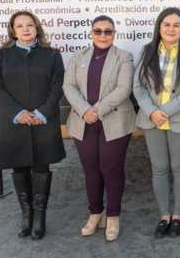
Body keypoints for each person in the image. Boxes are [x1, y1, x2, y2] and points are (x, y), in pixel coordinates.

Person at [0, 10, 66, 240]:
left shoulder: (52, 54)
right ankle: (26, 216)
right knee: (19, 167)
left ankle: (40, 218)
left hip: (43, 120)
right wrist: (18, 113)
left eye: (29, 25)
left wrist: (42, 112)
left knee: (41, 167)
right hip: (13, 122)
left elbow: (57, 86)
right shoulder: (1, 54)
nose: (25, 29)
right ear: (13, 30)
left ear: (36, 27)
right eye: (19, 26)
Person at [63, 15, 136, 241]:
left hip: (115, 121)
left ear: (114, 34)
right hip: (83, 121)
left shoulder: (124, 57)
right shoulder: (78, 57)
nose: (103, 35)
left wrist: (97, 110)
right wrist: (85, 110)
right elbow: (69, 86)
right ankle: (96, 213)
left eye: (108, 31)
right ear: (91, 33)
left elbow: (124, 89)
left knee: (111, 168)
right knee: (91, 169)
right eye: (98, 31)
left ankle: (113, 216)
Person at [134, 7, 180, 239]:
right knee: (159, 169)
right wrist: (152, 111)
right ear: (159, 27)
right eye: (167, 24)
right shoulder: (147, 51)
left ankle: (178, 215)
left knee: (179, 167)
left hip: (179, 119)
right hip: (152, 119)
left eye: (176, 25)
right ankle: (164, 215)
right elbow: (138, 87)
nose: (171, 29)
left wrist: (165, 111)